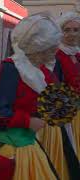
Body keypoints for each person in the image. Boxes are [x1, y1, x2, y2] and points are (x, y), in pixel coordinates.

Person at [0, 13, 62, 180]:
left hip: (28, 142)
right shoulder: (10, 69)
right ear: (38, 47)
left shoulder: (41, 71)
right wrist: (28, 121)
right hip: (9, 146)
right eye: (51, 47)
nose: (55, 52)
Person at [55, 12, 80, 161]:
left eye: (76, 30)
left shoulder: (78, 54)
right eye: (67, 30)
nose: (72, 34)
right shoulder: (56, 56)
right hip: (68, 113)